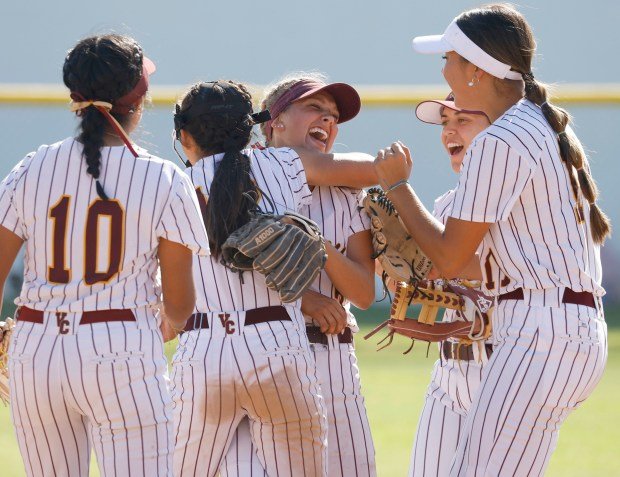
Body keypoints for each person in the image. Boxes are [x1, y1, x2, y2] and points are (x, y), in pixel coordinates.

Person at [375, 4, 609, 475]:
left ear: (477, 70)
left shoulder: (503, 138)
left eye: (449, 58)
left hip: (540, 332)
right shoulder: (535, 124)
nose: (442, 68)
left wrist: (397, 187)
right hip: (545, 326)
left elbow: (450, 257)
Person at [0, 34, 210, 476]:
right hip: (121, 349)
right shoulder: (163, 178)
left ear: (74, 95)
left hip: (36, 352)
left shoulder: (31, 166)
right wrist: (166, 321)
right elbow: (179, 306)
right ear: (139, 97)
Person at [169, 80, 378, 477]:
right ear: (267, 121)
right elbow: (378, 168)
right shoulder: (280, 167)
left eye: (333, 116)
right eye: (315, 108)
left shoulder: (176, 182)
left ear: (185, 136)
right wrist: (301, 298)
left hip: (216, 348)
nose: (328, 119)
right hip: (280, 344)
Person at [409, 94, 492, 476]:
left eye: (463, 120)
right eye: (444, 121)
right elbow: (421, 277)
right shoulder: (446, 205)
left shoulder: (526, 200)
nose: (449, 132)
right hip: (449, 373)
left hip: (505, 368)